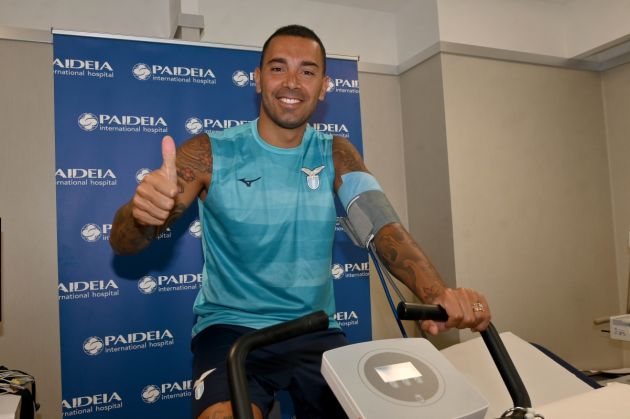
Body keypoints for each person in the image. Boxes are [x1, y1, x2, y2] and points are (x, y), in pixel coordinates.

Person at [110, 24, 491, 419]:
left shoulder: (336, 153)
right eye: (278, 68)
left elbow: (384, 229)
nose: (292, 82)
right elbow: (123, 243)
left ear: (324, 86)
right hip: (231, 330)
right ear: (257, 79)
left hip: (314, 330)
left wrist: (436, 293)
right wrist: (140, 216)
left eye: (307, 71)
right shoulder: (209, 152)